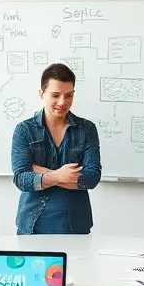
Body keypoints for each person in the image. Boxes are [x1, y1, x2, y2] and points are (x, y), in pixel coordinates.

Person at [10, 63, 101, 234]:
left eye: (68, 96)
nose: (62, 102)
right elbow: (22, 179)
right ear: (41, 94)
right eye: (55, 95)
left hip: (76, 226)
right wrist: (60, 175)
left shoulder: (87, 129)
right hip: (32, 226)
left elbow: (92, 177)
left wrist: (41, 172)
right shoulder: (24, 130)